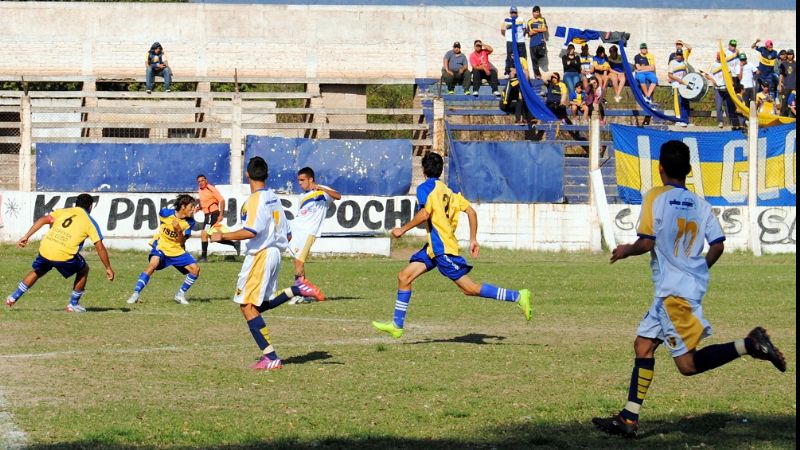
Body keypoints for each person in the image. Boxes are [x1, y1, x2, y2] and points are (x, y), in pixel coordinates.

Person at [591, 140, 786, 439]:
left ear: (660, 169)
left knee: (688, 365)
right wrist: (697, 269)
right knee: (643, 345)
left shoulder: (655, 196)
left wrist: (624, 250)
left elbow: (646, 242)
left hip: (674, 296)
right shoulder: (700, 204)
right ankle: (628, 418)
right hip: (676, 292)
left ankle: (750, 344)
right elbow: (718, 244)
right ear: (690, 171)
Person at [371, 152, 532, 339]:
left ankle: (518, 296)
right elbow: (471, 212)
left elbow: (425, 214)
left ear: (423, 170)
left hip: (442, 250)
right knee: (404, 277)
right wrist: (473, 239)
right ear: (441, 171)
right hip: (433, 248)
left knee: (469, 289)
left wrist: (403, 229)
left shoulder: (425, 188)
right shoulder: (449, 192)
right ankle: (397, 326)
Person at [210, 156, 323, 370]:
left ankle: (271, 358)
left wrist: (222, 236)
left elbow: (251, 230)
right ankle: (295, 290)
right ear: (267, 175)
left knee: (247, 306)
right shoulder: (273, 197)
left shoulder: (255, 200)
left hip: (260, 255)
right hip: (273, 254)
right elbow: (287, 232)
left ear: (247, 175)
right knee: (257, 305)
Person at [6, 193, 115, 313]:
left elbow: (43, 219)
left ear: (76, 204)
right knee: (83, 270)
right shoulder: (90, 222)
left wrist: (26, 236)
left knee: (38, 271)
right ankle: (73, 304)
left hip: (46, 249)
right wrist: (108, 268)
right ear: (90, 207)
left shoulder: (63, 211)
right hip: (64, 255)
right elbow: (100, 247)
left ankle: (13, 298)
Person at [127, 194, 200, 305]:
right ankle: (135, 294)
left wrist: (178, 230)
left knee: (195, 270)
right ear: (183, 206)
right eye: (191, 206)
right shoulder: (166, 213)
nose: (193, 209)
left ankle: (179, 295)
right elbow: (161, 216)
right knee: (152, 266)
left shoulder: (190, 222)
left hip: (177, 250)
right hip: (161, 247)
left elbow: (182, 242)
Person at [288, 166, 341, 303]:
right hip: (296, 230)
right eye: (298, 180)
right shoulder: (301, 197)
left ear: (310, 179)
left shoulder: (322, 191)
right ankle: (303, 292)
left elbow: (338, 196)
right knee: (297, 261)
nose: (299, 183)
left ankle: (299, 292)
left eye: (302, 180)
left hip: (308, 233)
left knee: (299, 261)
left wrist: (321, 188)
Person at [197, 174, 239, 262]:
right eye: (199, 182)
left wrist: (221, 214)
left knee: (204, 234)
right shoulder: (200, 190)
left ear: (206, 181)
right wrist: (199, 208)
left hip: (212, 214)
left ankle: (204, 257)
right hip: (207, 215)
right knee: (213, 237)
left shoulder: (210, 188)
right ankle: (234, 243)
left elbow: (222, 200)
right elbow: (205, 202)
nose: (201, 183)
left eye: (202, 180)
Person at [703, 52, 739, 129]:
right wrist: (713, 81)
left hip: (726, 88)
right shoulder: (713, 65)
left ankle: (730, 121)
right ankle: (720, 121)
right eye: (719, 57)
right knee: (719, 106)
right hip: (717, 88)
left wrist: (731, 82)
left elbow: (729, 74)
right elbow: (707, 74)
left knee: (728, 106)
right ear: (717, 57)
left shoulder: (726, 64)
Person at [501, 6, 527, 77]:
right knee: (509, 56)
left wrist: (521, 37)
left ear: (517, 13)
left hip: (520, 41)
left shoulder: (521, 19)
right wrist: (508, 37)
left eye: (515, 12)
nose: (513, 14)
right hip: (510, 41)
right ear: (510, 13)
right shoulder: (506, 20)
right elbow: (503, 30)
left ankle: (522, 72)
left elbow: (524, 30)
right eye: (512, 12)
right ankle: (507, 72)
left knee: (522, 57)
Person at [667, 49, 690, 125]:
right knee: (678, 102)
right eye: (677, 55)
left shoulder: (684, 63)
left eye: (680, 55)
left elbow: (686, 73)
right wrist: (678, 79)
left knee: (684, 102)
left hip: (683, 85)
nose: (678, 56)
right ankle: (678, 119)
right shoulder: (672, 63)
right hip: (676, 85)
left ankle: (685, 119)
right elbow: (670, 74)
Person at [526, 5, 549, 79]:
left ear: (539, 13)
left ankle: (539, 59)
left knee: (542, 54)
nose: (536, 13)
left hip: (541, 42)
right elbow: (529, 33)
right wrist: (538, 30)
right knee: (534, 60)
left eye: (537, 12)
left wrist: (535, 30)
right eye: (535, 12)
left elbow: (545, 29)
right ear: (532, 13)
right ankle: (537, 75)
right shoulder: (529, 21)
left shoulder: (542, 20)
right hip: (532, 43)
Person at [778, 49, 796, 116]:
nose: (789, 56)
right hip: (786, 87)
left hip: (794, 88)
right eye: (788, 54)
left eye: (791, 54)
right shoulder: (784, 64)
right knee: (784, 104)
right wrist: (780, 84)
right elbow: (781, 74)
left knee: (792, 105)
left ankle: (791, 120)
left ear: (793, 55)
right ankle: (782, 119)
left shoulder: (795, 64)